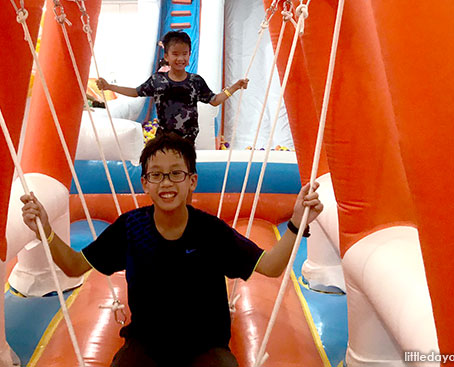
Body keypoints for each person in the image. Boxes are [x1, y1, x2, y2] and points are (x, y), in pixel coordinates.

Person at [21, 132, 324, 367]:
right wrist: (45, 230)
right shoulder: (130, 227)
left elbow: (270, 266)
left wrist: (296, 223)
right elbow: (74, 266)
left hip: (205, 349)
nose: (166, 183)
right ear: (145, 183)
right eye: (157, 175)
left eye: (176, 173)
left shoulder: (210, 231)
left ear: (192, 181)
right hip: (145, 344)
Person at [97, 31, 249, 143]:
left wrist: (235, 87)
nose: (180, 58)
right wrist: (110, 86)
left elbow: (214, 100)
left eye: (185, 54)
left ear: (189, 55)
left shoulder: (195, 81)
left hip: (188, 140)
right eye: (175, 54)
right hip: (164, 138)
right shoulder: (157, 80)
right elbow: (136, 92)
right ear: (166, 57)